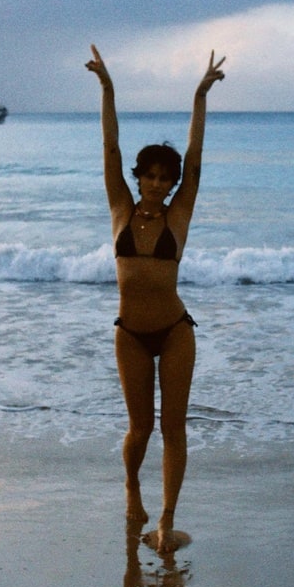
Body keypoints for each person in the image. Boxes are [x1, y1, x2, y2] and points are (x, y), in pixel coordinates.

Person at [86, 44, 225, 553]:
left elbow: (196, 158)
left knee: (173, 429)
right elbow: (110, 149)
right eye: (151, 175)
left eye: (166, 179)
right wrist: (108, 88)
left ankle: (166, 519)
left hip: (174, 331)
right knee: (139, 431)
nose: (159, 184)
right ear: (139, 176)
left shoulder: (177, 215)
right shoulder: (120, 207)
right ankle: (131, 487)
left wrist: (199, 97)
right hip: (131, 335)